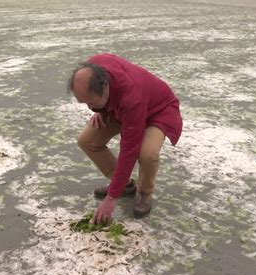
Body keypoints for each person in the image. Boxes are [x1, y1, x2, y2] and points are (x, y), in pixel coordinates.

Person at [68, 53, 182, 225]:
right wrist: (101, 109)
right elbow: (98, 100)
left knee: (147, 153)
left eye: (92, 102)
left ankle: (144, 193)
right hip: (120, 108)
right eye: (86, 103)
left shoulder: (131, 97)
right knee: (87, 140)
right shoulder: (93, 67)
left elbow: (129, 151)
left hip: (158, 111)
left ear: (105, 86)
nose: (90, 108)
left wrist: (111, 198)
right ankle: (126, 186)